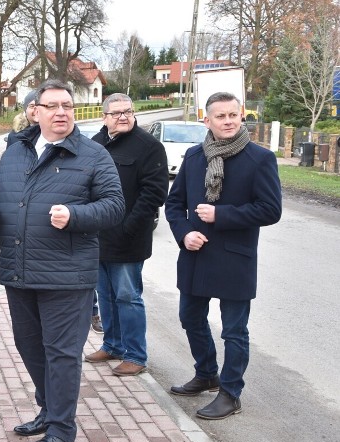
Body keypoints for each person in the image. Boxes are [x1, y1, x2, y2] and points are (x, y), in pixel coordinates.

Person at [0, 79, 124, 442]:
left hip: (67, 275)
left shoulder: (93, 155)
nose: (62, 112)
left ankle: (62, 431)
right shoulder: (16, 151)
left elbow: (114, 206)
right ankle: (48, 410)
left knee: (61, 353)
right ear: (35, 111)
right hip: (19, 268)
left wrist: (75, 215)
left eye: (68, 106)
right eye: (53, 106)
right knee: (29, 346)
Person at [165, 91, 281, 420]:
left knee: (233, 330)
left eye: (233, 115)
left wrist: (223, 215)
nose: (228, 121)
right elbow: (174, 205)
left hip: (235, 257)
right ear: (207, 120)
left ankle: (230, 393)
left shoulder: (260, 158)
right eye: (221, 116)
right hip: (196, 255)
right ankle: (206, 374)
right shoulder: (193, 156)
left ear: (241, 116)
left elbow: (271, 210)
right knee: (190, 318)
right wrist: (184, 232)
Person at [87, 93, 169, 376]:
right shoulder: (94, 146)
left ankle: (135, 355)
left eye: (128, 112)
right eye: (117, 113)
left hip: (128, 237)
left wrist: (126, 227)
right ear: (104, 116)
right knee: (105, 295)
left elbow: (154, 194)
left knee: (127, 296)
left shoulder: (149, 147)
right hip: (97, 236)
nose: (123, 117)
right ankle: (112, 345)